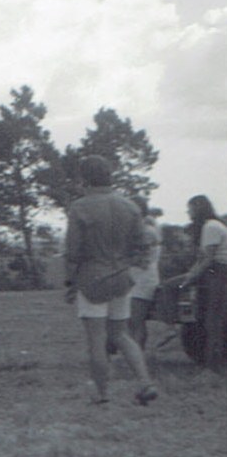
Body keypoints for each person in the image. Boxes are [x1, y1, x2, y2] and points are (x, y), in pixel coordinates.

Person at [64, 155, 157, 405]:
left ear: (84, 178)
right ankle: (145, 382)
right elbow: (142, 246)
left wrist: (70, 283)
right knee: (121, 334)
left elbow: (73, 251)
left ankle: (102, 394)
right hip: (122, 278)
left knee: (96, 339)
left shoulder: (80, 207)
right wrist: (131, 270)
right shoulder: (130, 206)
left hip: (92, 278)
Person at [172, 195, 227, 372]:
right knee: (212, 317)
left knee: (214, 319)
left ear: (198, 207)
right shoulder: (214, 225)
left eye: (190, 208)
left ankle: (213, 365)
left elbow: (207, 260)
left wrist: (189, 278)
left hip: (219, 272)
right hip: (217, 271)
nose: (188, 212)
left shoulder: (210, 227)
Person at [128, 197, 162, 351]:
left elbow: (143, 261)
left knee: (136, 320)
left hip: (143, 279)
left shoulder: (146, 231)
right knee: (132, 321)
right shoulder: (142, 229)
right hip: (136, 278)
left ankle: (137, 354)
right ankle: (135, 353)